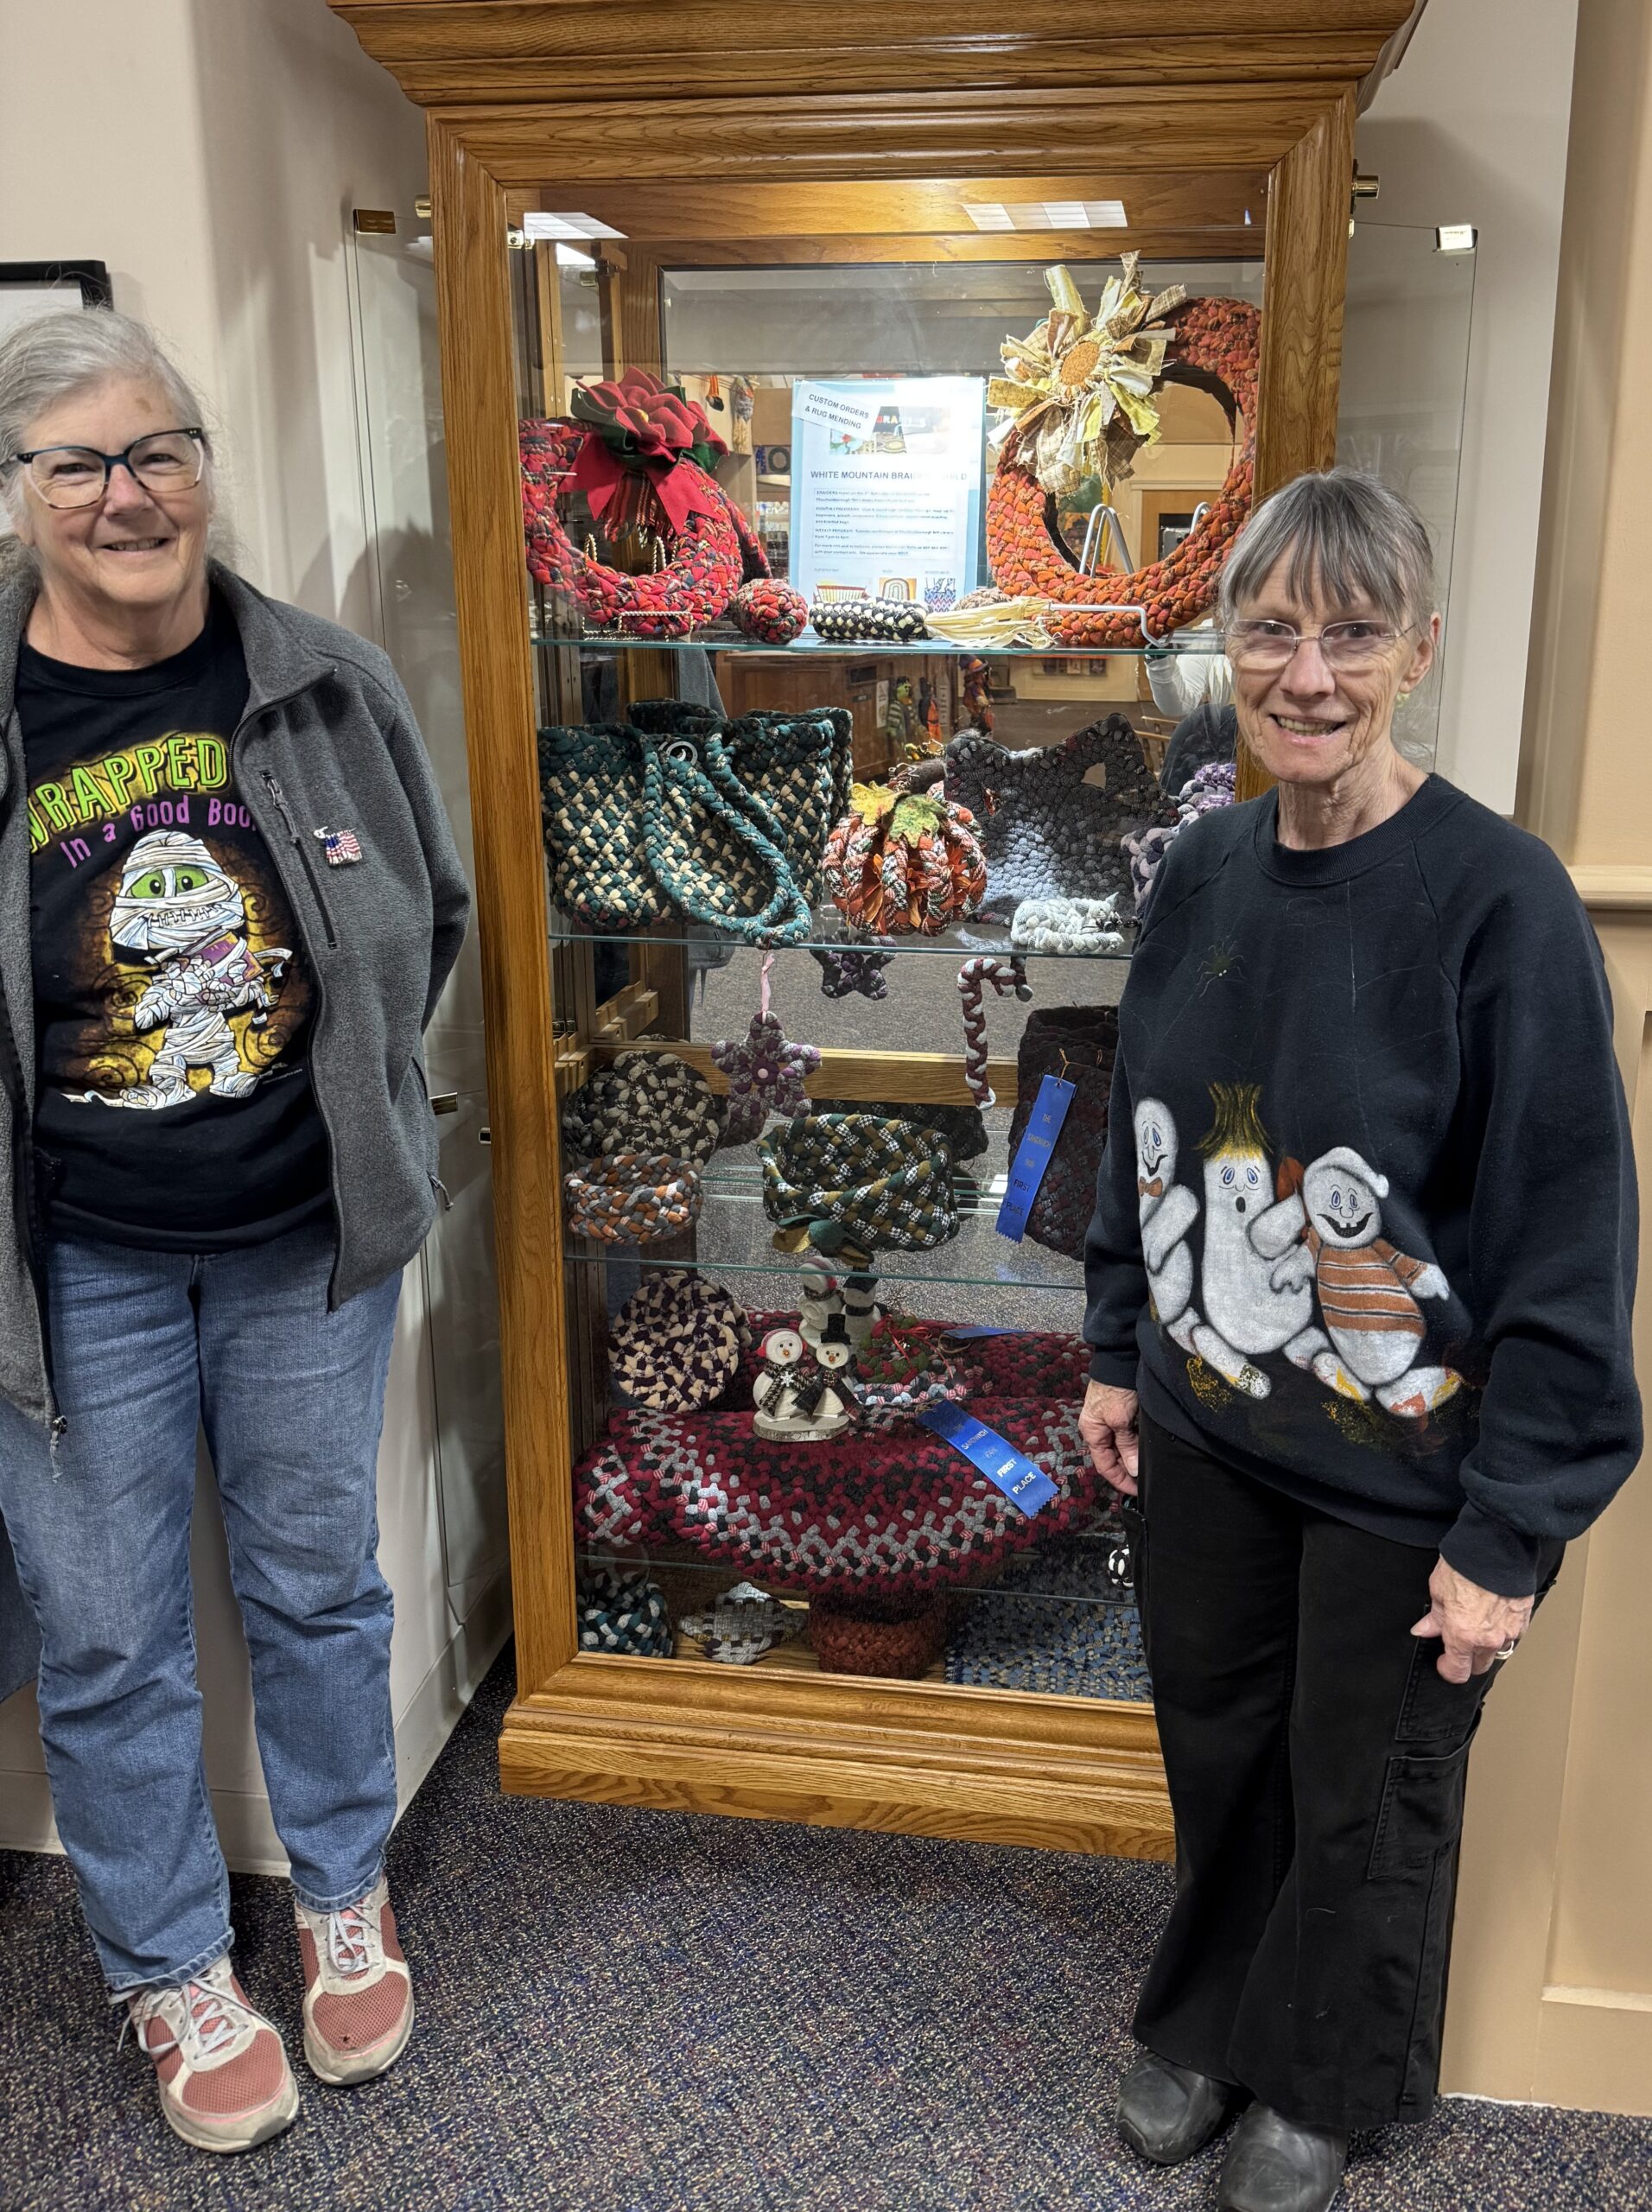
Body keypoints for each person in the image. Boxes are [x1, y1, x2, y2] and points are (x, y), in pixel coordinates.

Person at [1079, 467, 1639, 2212]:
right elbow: (1136, 1118)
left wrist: (1511, 1531)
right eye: (1268, 630)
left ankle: (1323, 2075)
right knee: (1218, 1742)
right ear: (1224, 647)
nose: (1304, 672)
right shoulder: (1201, 868)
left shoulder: (1498, 900)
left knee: (1367, 1783)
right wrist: (1117, 1337)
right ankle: (1208, 2021)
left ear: (1415, 649)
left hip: (1406, 1468)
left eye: (1348, 633)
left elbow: (1565, 1239)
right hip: (1207, 1424)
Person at [0, 309, 470, 2153]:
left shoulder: (326, 684)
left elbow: (420, 921)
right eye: (79, 464)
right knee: (106, 1629)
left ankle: (342, 1889)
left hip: (300, 1240)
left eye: (159, 451)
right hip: (68, 1269)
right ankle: (173, 1963)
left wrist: (335, 1105)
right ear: (27, 496)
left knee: (315, 1579)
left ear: (201, 464)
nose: (129, 496)